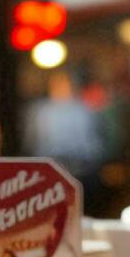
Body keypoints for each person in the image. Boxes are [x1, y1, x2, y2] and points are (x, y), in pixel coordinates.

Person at [26, 72, 108, 213]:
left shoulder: (84, 109)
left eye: (67, 86)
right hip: (52, 167)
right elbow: (33, 142)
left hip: (82, 168)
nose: (64, 89)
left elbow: (94, 141)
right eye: (59, 86)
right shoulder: (42, 111)